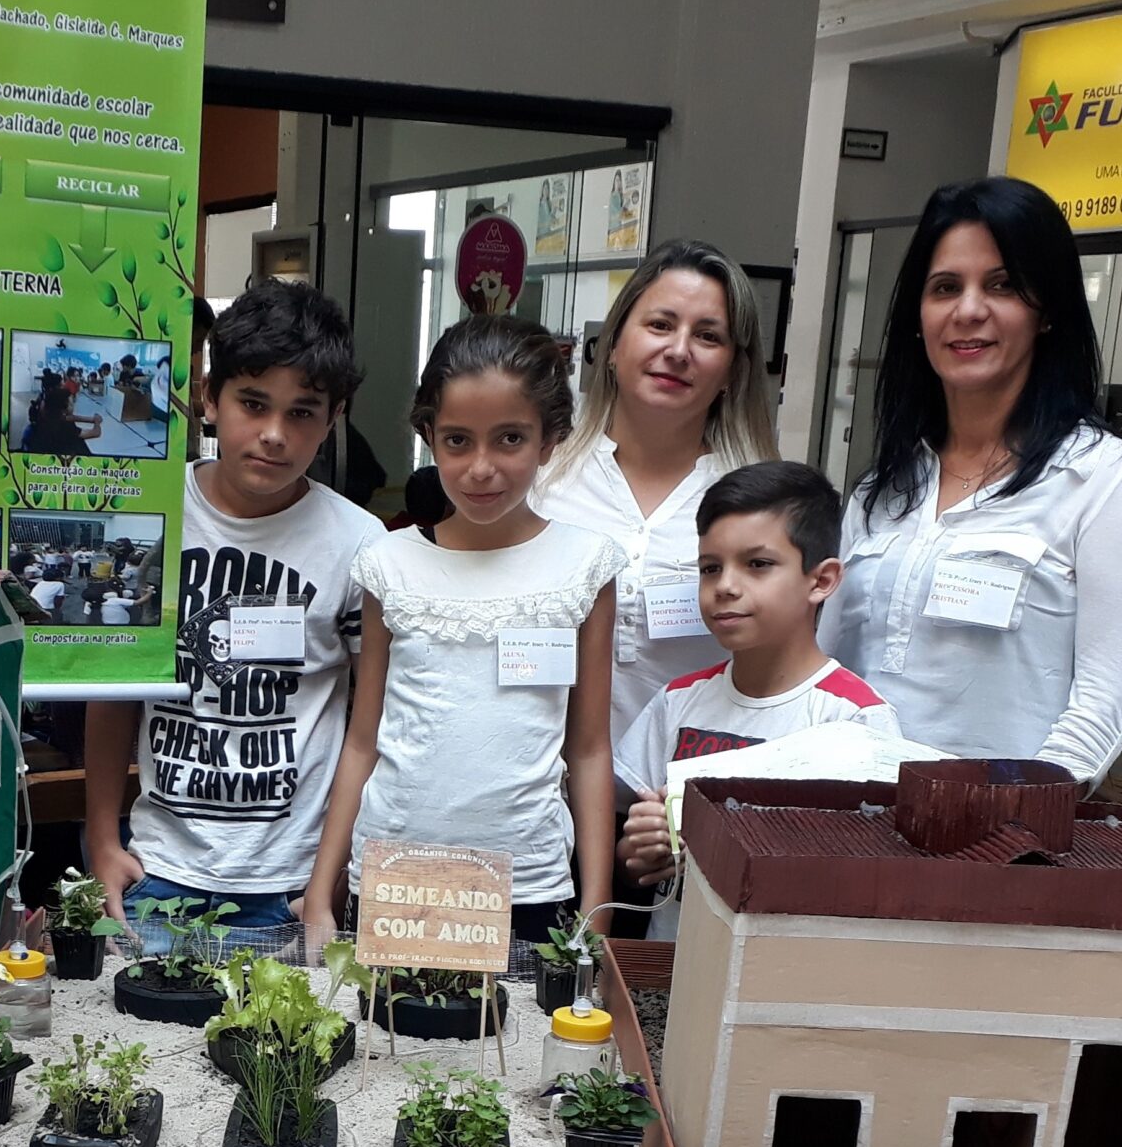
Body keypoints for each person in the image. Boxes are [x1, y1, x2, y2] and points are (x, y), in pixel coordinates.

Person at [821, 176, 1122, 782]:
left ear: (1049, 311)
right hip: (847, 831)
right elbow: (822, 672)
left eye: (1003, 285)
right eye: (946, 287)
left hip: (998, 845)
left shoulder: (1108, 481)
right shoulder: (883, 491)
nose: (969, 310)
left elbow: (1104, 710)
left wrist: (1012, 825)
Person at [303, 316, 621, 946]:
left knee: (513, 1044)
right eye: (457, 440)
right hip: (395, 875)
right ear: (428, 436)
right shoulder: (389, 563)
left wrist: (599, 907)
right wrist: (321, 889)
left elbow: (587, 749)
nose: (481, 467)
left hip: (527, 881)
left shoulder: (586, 567)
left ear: (550, 438)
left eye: (509, 439)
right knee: (391, 1043)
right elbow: (363, 739)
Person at [85, 282, 380, 935]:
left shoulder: (360, 545)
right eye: (254, 403)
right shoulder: (152, 517)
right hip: (158, 872)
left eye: (303, 413)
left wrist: (329, 882)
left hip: (294, 885)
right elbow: (111, 692)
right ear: (209, 399)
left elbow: (370, 727)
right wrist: (103, 838)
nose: (275, 435)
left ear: (333, 419)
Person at [616, 463, 900, 938]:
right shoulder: (678, 700)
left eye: (758, 564)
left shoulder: (854, 720)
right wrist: (645, 845)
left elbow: (869, 879)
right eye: (711, 567)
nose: (725, 585)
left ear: (822, 580)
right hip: (672, 969)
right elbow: (634, 861)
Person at [536, 240, 781, 745]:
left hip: (689, 797)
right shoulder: (542, 481)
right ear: (614, 346)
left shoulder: (761, 506)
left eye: (708, 336)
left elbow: (780, 670)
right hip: (543, 797)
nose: (678, 350)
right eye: (660, 325)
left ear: (733, 372)